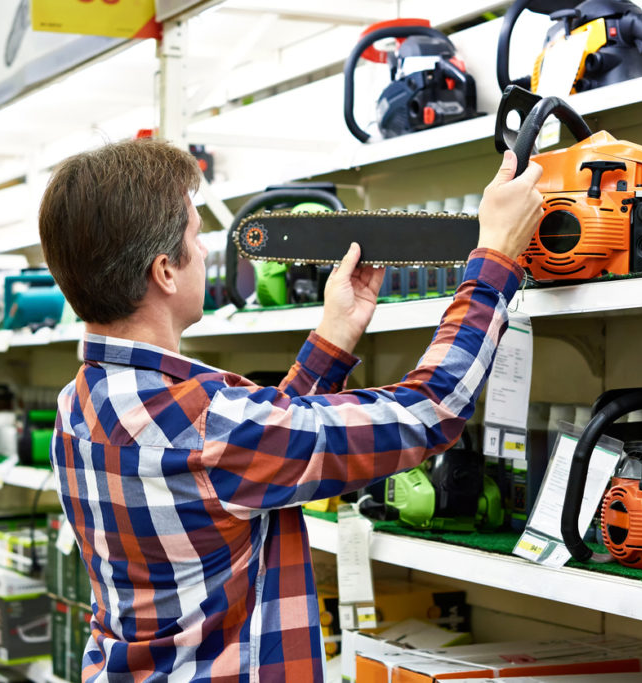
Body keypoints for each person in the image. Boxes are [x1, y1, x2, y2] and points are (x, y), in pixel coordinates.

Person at [38, 137, 544, 683]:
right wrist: (494, 259)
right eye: (196, 234)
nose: (207, 251)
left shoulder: (78, 407)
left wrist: (333, 337)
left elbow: (248, 460)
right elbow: (427, 411)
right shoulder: (211, 425)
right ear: (164, 272)